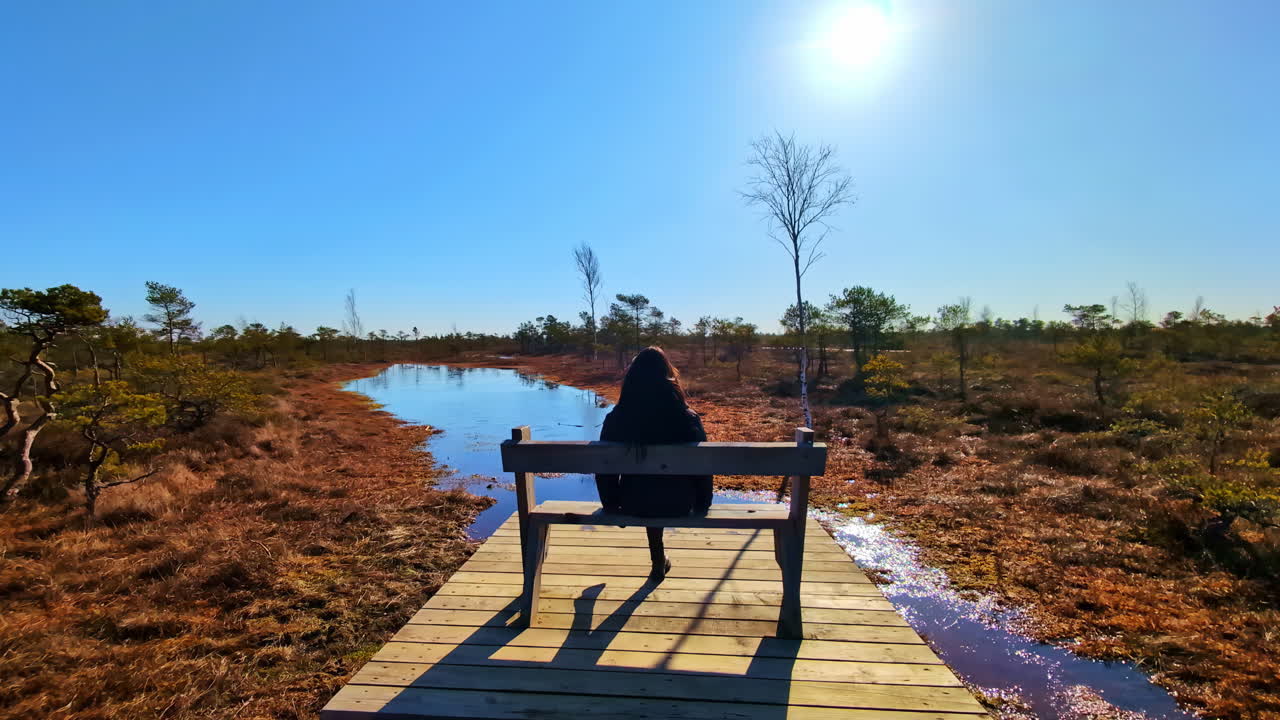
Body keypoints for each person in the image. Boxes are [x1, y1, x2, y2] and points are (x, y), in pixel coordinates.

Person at [595, 347, 712, 580]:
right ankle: (658, 560)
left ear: (631, 380)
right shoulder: (686, 417)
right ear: (669, 377)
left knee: (646, 487)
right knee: (659, 488)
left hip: (631, 503)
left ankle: (658, 560)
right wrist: (702, 504)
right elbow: (703, 467)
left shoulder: (617, 418)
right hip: (681, 503)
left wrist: (611, 505)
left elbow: (604, 469)